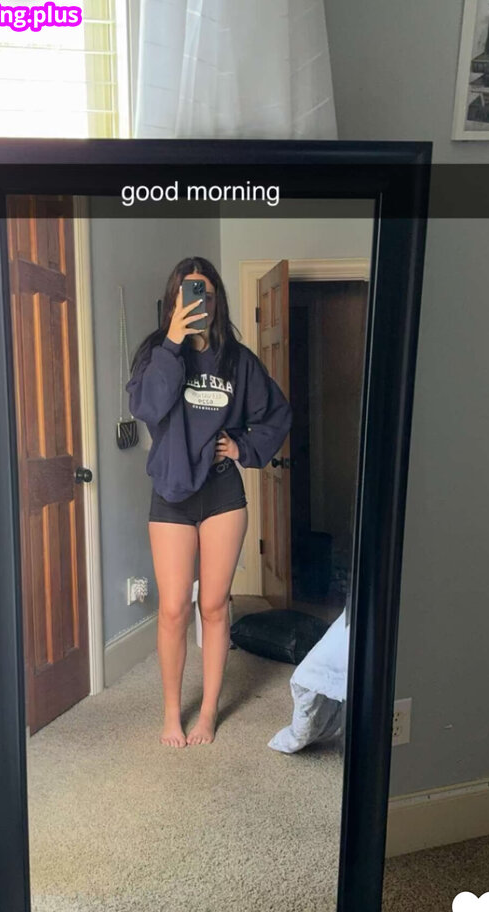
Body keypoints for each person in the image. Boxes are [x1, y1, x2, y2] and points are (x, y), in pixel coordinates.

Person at [126, 257, 292, 748]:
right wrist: (173, 341)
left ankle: (208, 712)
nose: (198, 302)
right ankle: (171, 713)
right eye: (188, 293)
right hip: (171, 492)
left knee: (215, 605)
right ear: (174, 299)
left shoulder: (237, 360)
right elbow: (147, 407)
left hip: (221, 491)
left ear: (217, 301)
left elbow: (277, 414)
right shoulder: (156, 352)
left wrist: (242, 447)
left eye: (206, 293)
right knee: (174, 608)